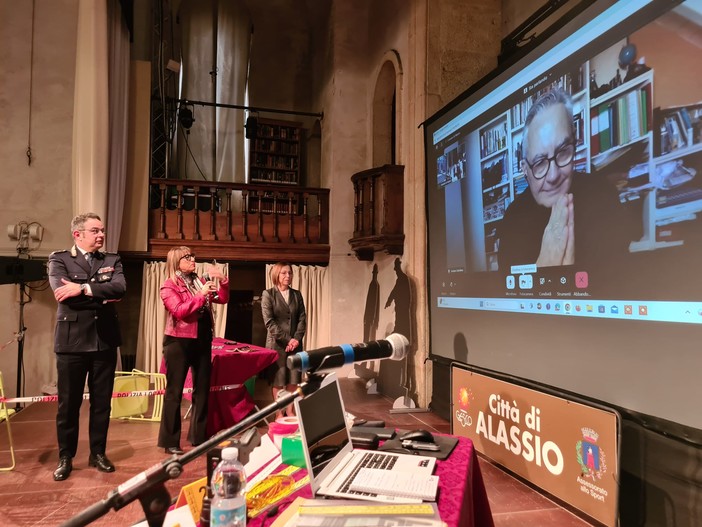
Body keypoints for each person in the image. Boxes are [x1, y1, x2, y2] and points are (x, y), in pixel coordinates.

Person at [497, 87, 631, 271]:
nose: (553, 176)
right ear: (525, 169)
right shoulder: (512, 220)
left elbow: (620, 276)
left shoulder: (602, 193)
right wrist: (544, 265)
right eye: (540, 163)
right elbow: (508, 293)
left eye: (562, 152)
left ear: (574, 146)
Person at [48, 212, 126, 481]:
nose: (101, 235)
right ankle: (65, 456)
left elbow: (120, 288)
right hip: (71, 343)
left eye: (102, 230)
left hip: (104, 341)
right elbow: (62, 295)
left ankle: (98, 453)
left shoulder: (112, 259)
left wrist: (81, 289)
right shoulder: (59, 259)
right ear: (77, 234)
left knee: (102, 403)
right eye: (95, 231)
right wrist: (101, 296)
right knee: (67, 405)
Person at [158, 247, 229, 455]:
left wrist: (223, 281)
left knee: (202, 389)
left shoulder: (198, 280)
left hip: (202, 339)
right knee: (174, 392)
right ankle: (170, 441)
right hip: (178, 341)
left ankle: (199, 436)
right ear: (176, 261)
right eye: (187, 257)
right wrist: (200, 295)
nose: (192, 260)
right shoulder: (169, 285)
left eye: (192, 256)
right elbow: (179, 311)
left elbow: (222, 299)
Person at [261, 262, 306, 419]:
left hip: (295, 345)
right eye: (284, 273)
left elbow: (302, 318)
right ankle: (279, 412)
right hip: (277, 344)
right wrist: (288, 340)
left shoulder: (297, 294)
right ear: (276, 275)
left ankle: (290, 410)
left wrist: (296, 339)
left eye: (290, 273)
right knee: (278, 381)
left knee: (294, 379)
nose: (288, 276)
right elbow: (269, 322)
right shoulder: (268, 294)